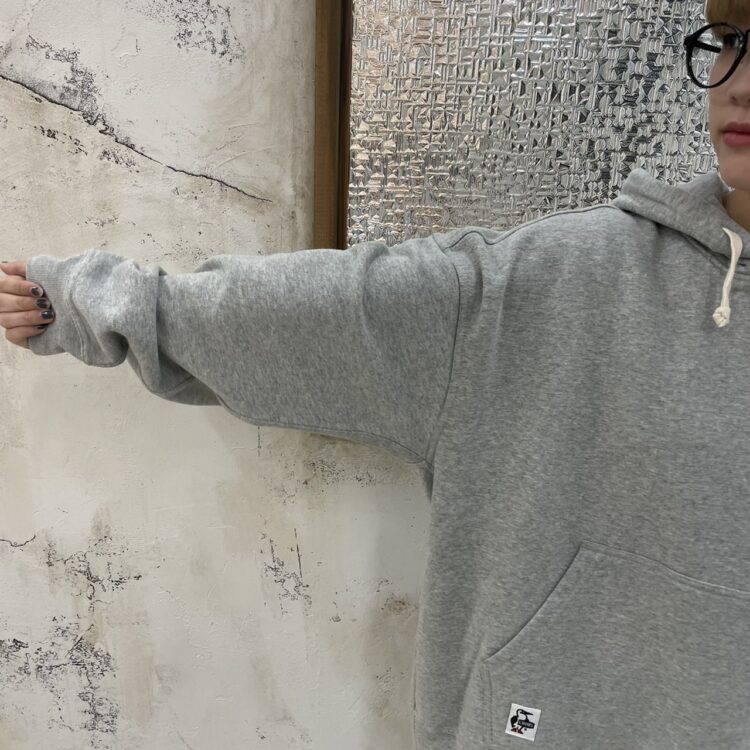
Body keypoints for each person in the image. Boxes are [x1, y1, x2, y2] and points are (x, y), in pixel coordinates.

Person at [2, 1, 750, 748]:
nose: (738, 82)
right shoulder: (554, 284)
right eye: (733, 42)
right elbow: (313, 312)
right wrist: (69, 299)